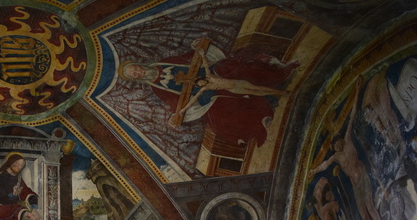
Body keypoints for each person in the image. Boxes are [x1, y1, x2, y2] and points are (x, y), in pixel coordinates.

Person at [119, 37, 298, 147]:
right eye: (134, 75)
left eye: (135, 68)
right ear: (137, 79)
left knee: (236, 68)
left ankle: (278, 77)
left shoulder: (165, 61)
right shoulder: (155, 87)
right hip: (204, 94)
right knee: (220, 119)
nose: (138, 72)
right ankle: (263, 115)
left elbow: (187, 58)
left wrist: (197, 46)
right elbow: (175, 101)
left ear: (138, 65)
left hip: (210, 72)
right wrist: (175, 117)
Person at [308, 78, 396, 220]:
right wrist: (314, 170)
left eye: (337, 143)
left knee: (371, 209)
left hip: (362, 176)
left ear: (340, 141)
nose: (337, 147)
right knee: (364, 216)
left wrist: (357, 91)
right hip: (355, 184)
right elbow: (325, 164)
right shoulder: (337, 157)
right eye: (334, 147)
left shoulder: (347, 141)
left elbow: (353, 114)